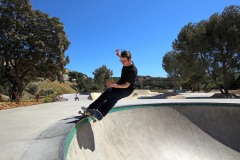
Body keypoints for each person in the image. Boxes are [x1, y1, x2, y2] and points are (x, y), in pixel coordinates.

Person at [88, 49, 138, 117]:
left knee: (114, 96)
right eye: (121, 61)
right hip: (119, 85)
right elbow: (122, 57)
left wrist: (114, 85)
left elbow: (126, 85)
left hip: (127, 89)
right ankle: (90, 109)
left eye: (124, 61)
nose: (122, 63)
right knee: (105, 94)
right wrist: (119, 55)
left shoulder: (133, 70)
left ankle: (101, 112)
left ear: (129, 59)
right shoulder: (125, 60)